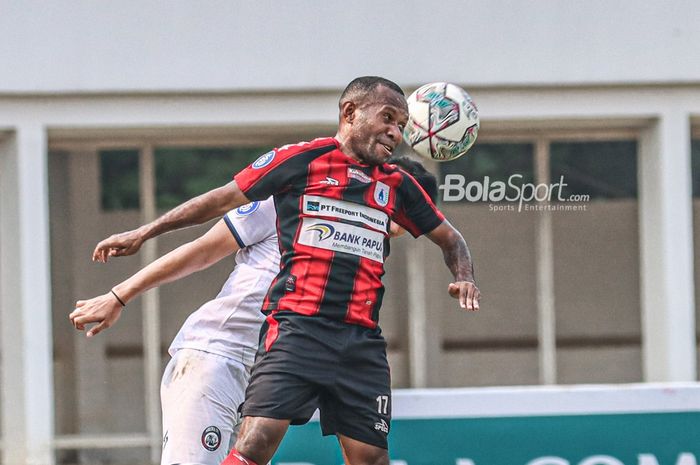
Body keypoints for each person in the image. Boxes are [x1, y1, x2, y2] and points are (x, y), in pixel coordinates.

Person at [91, 76, 481, 465]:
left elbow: (450, 238)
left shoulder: (381, 209)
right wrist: (122, 285)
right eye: (389, 119)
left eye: (402, 125)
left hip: (323, 349)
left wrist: (463, 274)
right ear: (350, 113)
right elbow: (202, 246)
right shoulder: (293, 182)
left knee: (368, 456)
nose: (396, 132)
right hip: (225, 353)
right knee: (243, 449)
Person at [71, 154, 441, 465]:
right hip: (220, 356)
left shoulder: (366, 250)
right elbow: (202, 251)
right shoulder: (294, 198)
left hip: (273, 370)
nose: (399, 225)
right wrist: (119, 295)